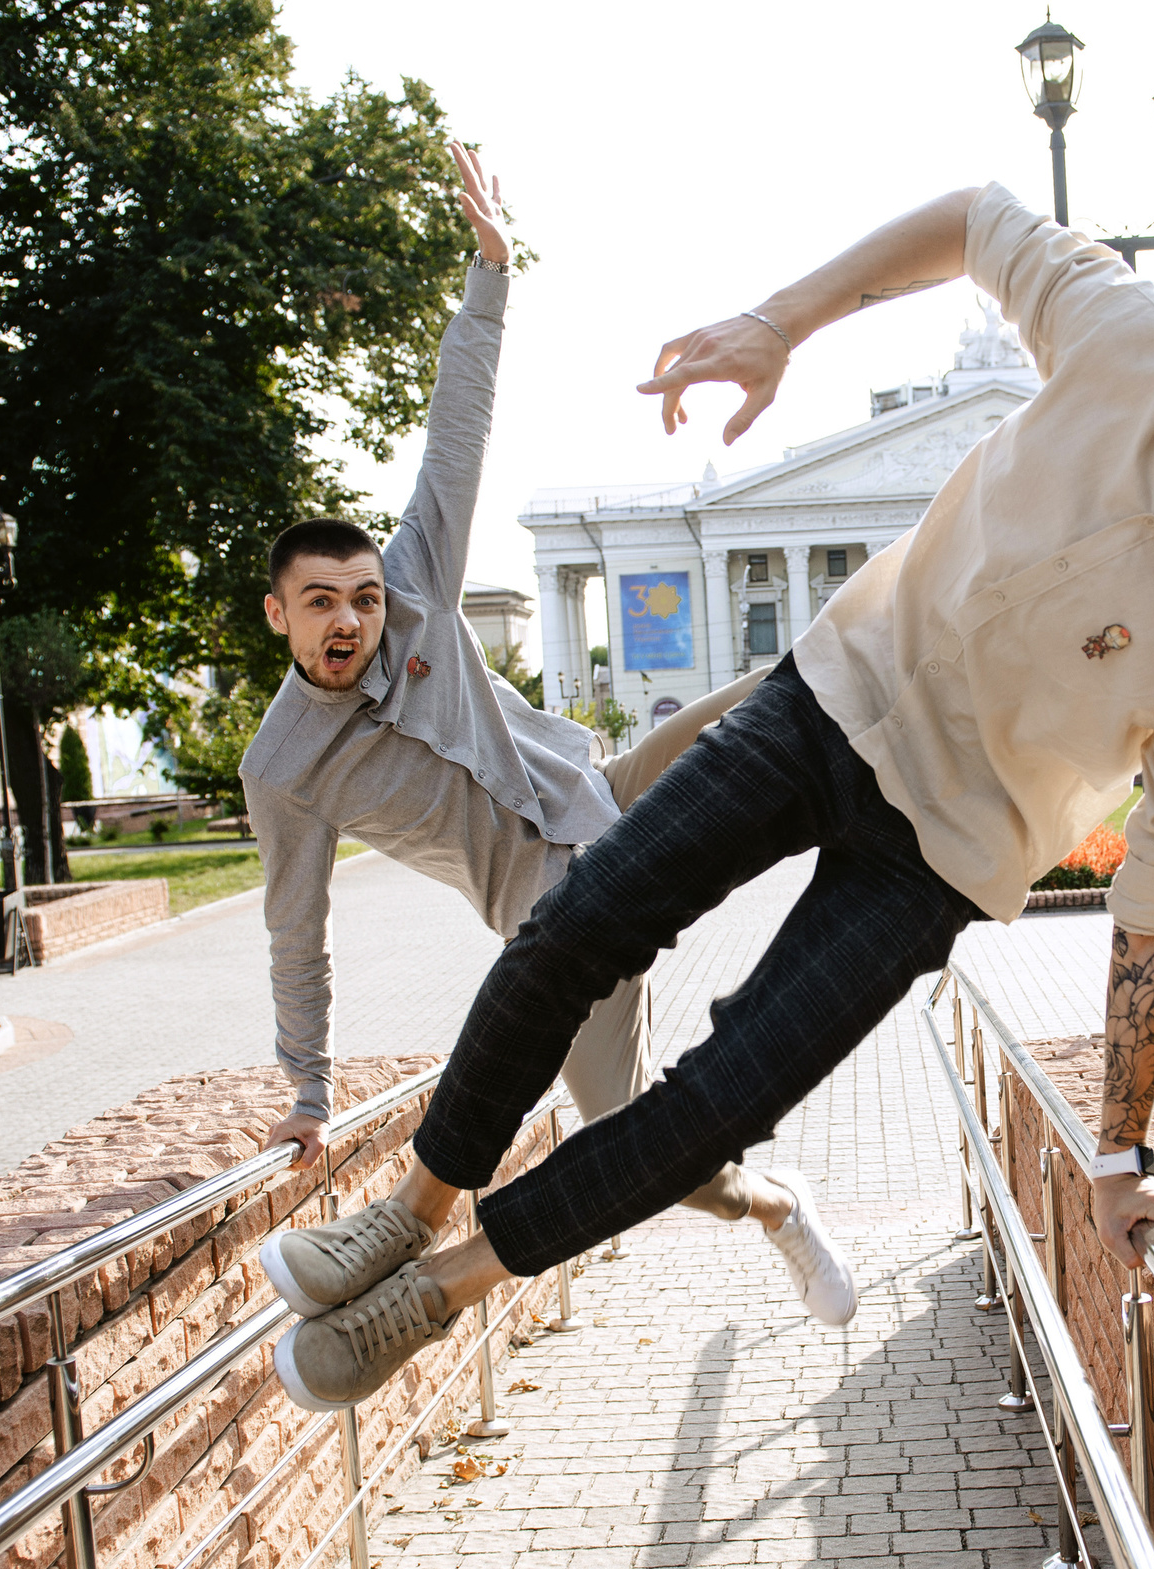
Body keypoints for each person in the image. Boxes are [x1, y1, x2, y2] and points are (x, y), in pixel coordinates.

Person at [263, 180, 1154, 1409]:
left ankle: (434, 1293)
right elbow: (979, 220)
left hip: (941, 851)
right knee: (574, 925)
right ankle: (409, 1210)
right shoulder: (1133, 341)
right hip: (830, 698)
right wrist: (782, 321)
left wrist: (1119, 1147)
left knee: (721, 1100)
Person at [245, 145, 831, 1413]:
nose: (352, 621)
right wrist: (303, 1092)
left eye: (362, 596)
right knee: (650, 1154)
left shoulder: (419, 589)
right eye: (321, 606)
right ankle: (769, 1200)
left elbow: (454, 435)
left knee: (801, 682)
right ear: (281, 617)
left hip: (607, 791)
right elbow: (298, 930)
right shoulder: (282, 767)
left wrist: (490, 270)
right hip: (556, 924)